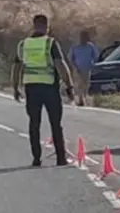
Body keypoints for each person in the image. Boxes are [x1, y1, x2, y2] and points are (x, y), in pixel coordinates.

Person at [11, 14, 75, 167]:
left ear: (33, 25)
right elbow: (60, 65)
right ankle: (61, 158)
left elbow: (16, 68)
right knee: (55, 123)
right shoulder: (50, 43)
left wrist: (15, 87)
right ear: (47, 26)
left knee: (34, 123)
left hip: (31, 88)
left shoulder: (23, 45)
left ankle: (36, 158)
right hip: (49, 88)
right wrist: (69, 85)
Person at [68, 30, 100, 106]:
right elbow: (70, 57)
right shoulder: (75, 47)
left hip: (87, 68)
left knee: (86, 84)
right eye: (82, 37)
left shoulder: (90, 46)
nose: (83, 39)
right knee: (79, 84)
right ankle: (80, 99)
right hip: (77, 68)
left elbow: (96, 55)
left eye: (85, 37)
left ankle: (84, 97)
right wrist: (74, 66)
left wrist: (93, 63)